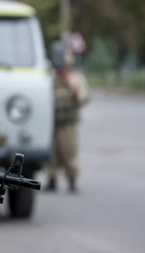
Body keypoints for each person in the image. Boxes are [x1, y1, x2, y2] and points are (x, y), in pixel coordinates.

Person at [45, 51, 90, 192]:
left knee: (69, 151)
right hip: (52, 122)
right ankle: (51, 179)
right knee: (52, 152)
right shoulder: (50, 79)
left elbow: (84, 98)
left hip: (68, 123)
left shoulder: (76, 79)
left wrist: (73, 87)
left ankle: (72, 179)